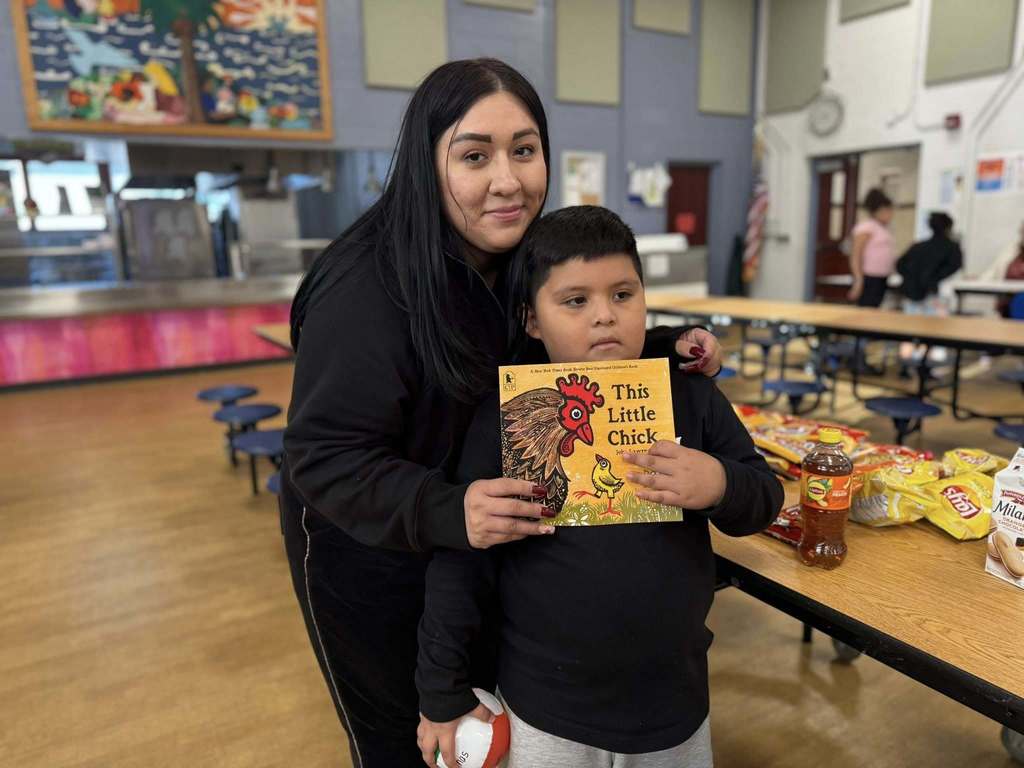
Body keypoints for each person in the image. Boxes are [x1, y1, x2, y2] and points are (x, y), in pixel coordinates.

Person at [280, 59, 723, 768]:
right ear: (429, 164)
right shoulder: (366, 286)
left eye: (524, 150)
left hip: (481, 536)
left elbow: (562, 332)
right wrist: (445, 508)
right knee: (411, 740)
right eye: (474, 155)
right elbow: (323, 455)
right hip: (373, 547)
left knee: (485, 737)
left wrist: (668, 347)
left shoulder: (515, 254)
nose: (507, 180)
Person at [416, 206, 783, 767]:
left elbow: (764, 497)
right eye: (575, 301)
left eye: (622, 294)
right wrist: (440, 689)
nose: (605, 318)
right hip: (544, 705)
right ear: (531, 319)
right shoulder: (507, 417)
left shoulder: (689, 394)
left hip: (673, 700)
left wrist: (718, 483)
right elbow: (463, 558)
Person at [848, 188, 895, 307]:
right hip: (869, 277)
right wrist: (858, 280)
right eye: (887, 211)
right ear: (878, 211)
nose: (891, 215)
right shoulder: (866, 227)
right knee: (867, 309)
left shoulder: (883, 228)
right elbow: (856, 255)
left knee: (875, 309)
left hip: (882, 276)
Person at [977, 219, 1024, 317]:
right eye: (1022, 230)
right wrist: (978, 280)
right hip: (1007, 304)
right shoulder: (1012, 250)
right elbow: (993, 270)